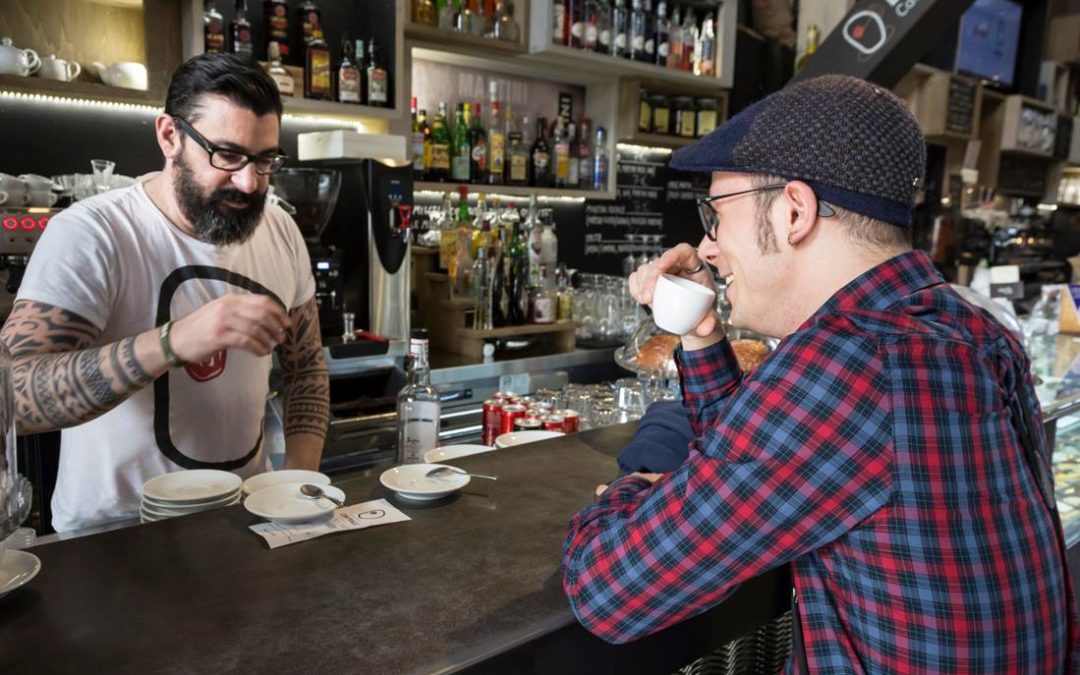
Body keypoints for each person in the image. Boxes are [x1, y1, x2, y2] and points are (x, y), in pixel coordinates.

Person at [562, 75, 1079, 672]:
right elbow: (761, 455)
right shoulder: (967, 328)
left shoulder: (851, 365)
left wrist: (646, 488)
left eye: (714, 215)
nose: (706, 248)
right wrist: (703, 336)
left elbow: (606, 590)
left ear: (795, 212)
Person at [0, 53, 329, 533]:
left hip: (245, 525)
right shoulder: (95, 232)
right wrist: (172, 341)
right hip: (114, 542)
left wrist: (298, 488)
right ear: (169, 136)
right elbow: (16, 397)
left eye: (264, 160)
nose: (249, 182)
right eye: (228, 155)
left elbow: (307, 370)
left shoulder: (280, 231)